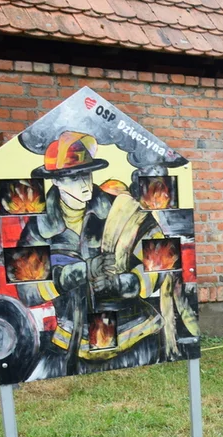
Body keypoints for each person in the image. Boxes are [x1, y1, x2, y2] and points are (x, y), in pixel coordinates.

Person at [16, 131, 179, 381]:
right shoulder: (39, 228)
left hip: (134, 335)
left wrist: (123, 283)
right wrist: (82, 271)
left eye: (87, 174)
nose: (84, 184)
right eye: (73, 177)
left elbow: (162, 259)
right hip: (70, 342)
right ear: (56, 181)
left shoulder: (123, 210)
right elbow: (28, 291)